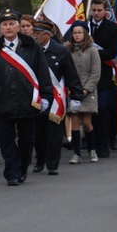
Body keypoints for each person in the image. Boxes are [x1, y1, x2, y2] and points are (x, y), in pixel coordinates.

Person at [0, 9, 52, 185]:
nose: (8, 27)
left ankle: (22, 168)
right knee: (6, 140)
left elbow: (42, 72)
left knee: (27, 139)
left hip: (27, 101)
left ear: (18, 26)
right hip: (3, 101)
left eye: (12, 24)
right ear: (1, 27)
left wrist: (46, 96)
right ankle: (12, 172)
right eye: (5, 24)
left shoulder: (31, 46)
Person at [32, 20, 82, 175]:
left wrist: (76, 96)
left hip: (55, 98)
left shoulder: (60, 51)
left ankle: (52, 164)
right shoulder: (30, 49)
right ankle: (40, 161)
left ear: (48, 35)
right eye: (34, 33)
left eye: (38, 34)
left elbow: (71, 74)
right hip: (36, 97)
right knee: (37, 134)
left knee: (53, 134)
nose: (35, 36)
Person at [88, 0, 117, 158]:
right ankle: (92, 143)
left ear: (105, 11)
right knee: (90, 111)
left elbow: (111, 52)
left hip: (105, 76)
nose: (96, 13)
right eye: (93, 10)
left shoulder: (113, 28)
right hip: (86, 76)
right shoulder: (84, 27)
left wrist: (92, 52)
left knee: (103, 109)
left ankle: (105, 142)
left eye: (99, 10)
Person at [65, 21, 101, 164]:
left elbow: (96, 73)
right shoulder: (68, 50)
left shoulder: (93, 50)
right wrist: (71, 88)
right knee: (74, 121)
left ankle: (92, 149)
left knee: (86, 122)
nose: (77, 35)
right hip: (73, 90)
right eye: (74, 33)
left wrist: (86, 89)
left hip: (88, 91)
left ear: (85, 34)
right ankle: (76, 153)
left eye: (80, 32)